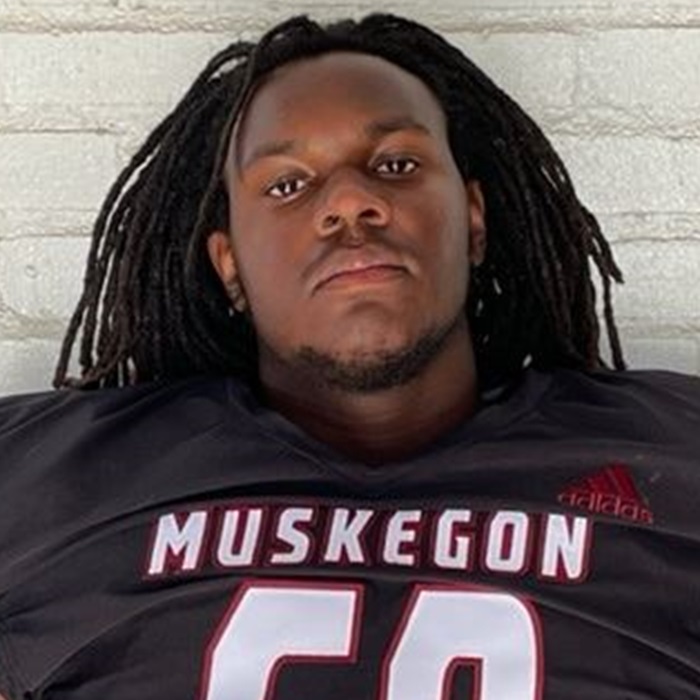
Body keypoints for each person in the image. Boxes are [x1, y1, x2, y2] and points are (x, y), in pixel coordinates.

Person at [1, 13, 699, 700]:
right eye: (287, 184)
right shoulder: (44, 478)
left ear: (473, 219)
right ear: (229, 265)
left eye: (396, 165)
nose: (350, 202)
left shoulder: (673, 456)